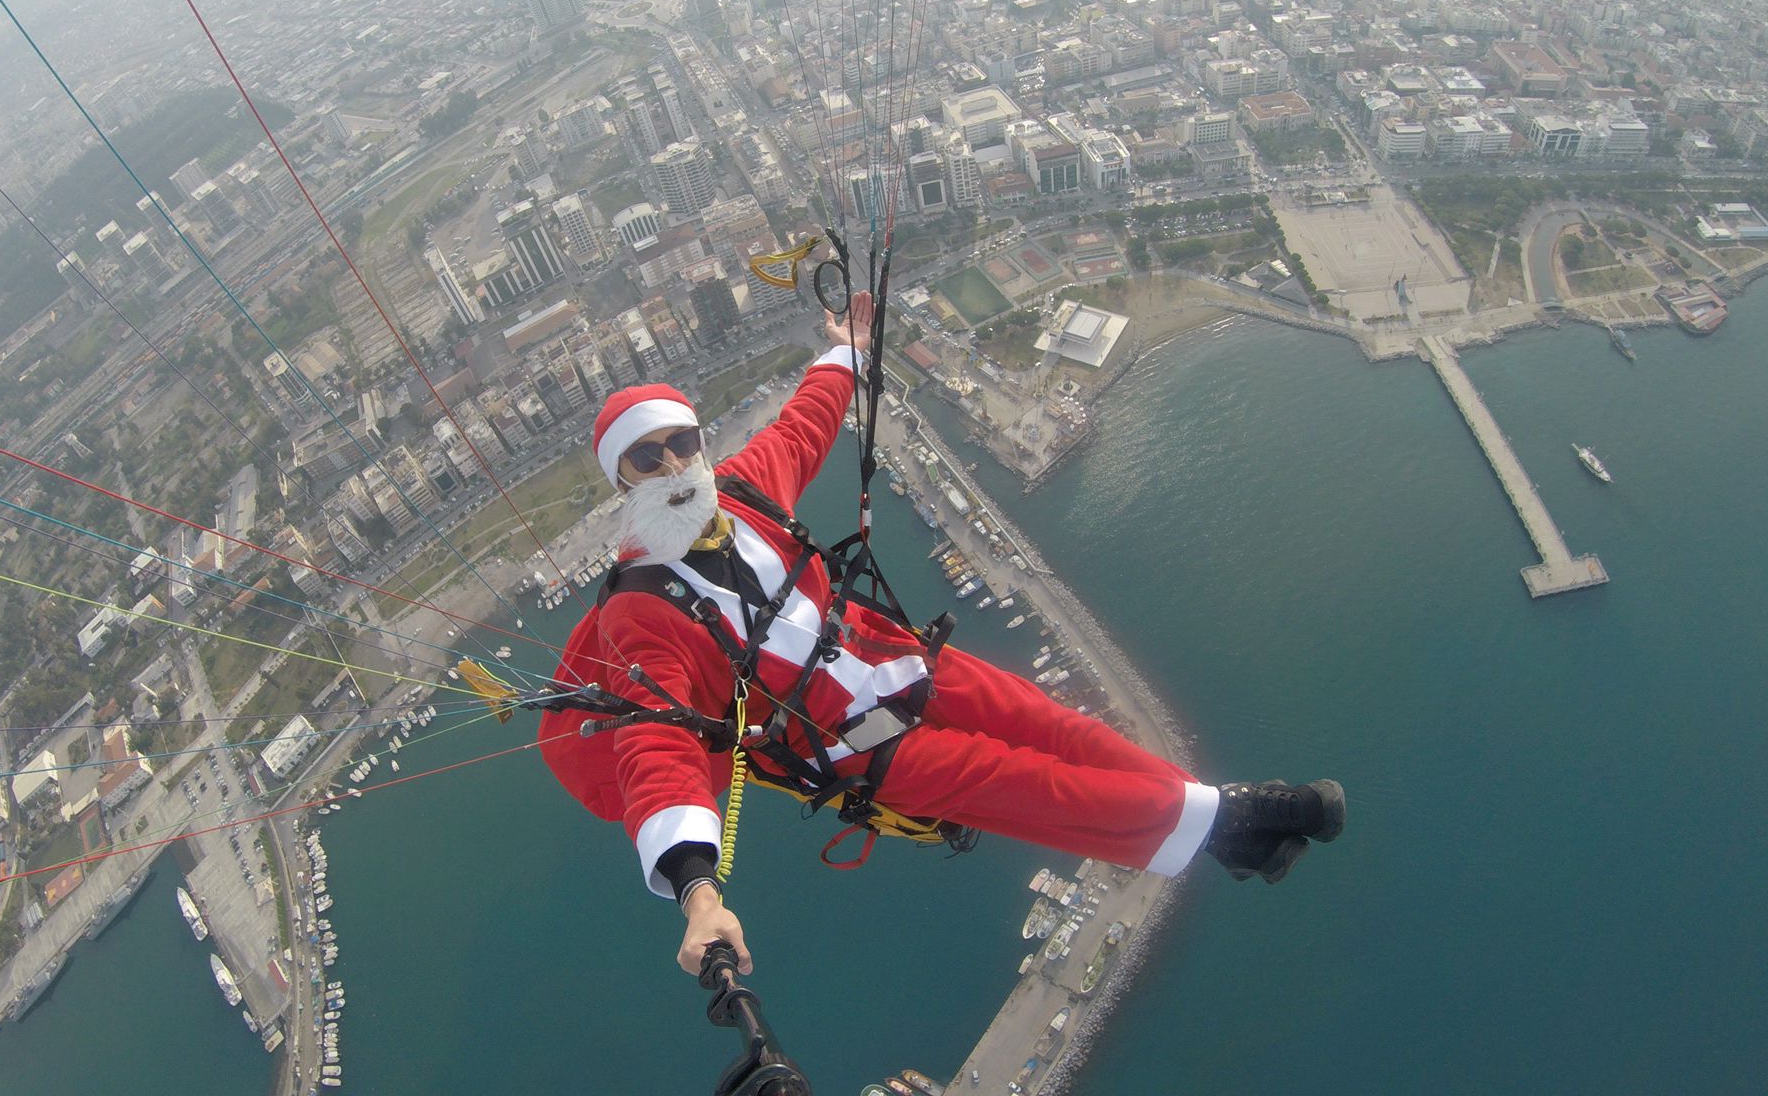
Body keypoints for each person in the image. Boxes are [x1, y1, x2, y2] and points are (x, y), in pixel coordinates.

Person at [537, 293, 1344, 977]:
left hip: (896, 660)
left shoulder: (743, 491)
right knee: (1031, 786)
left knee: (1062, 728)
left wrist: (847, 351)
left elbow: (805, 424)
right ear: (622, 479)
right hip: (852, 745)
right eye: (648, 456)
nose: (674, 462)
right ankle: (1229, 824)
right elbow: (656, 747)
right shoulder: (638, 614)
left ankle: (1213, 823)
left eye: (683, 441)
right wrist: (698, 894)